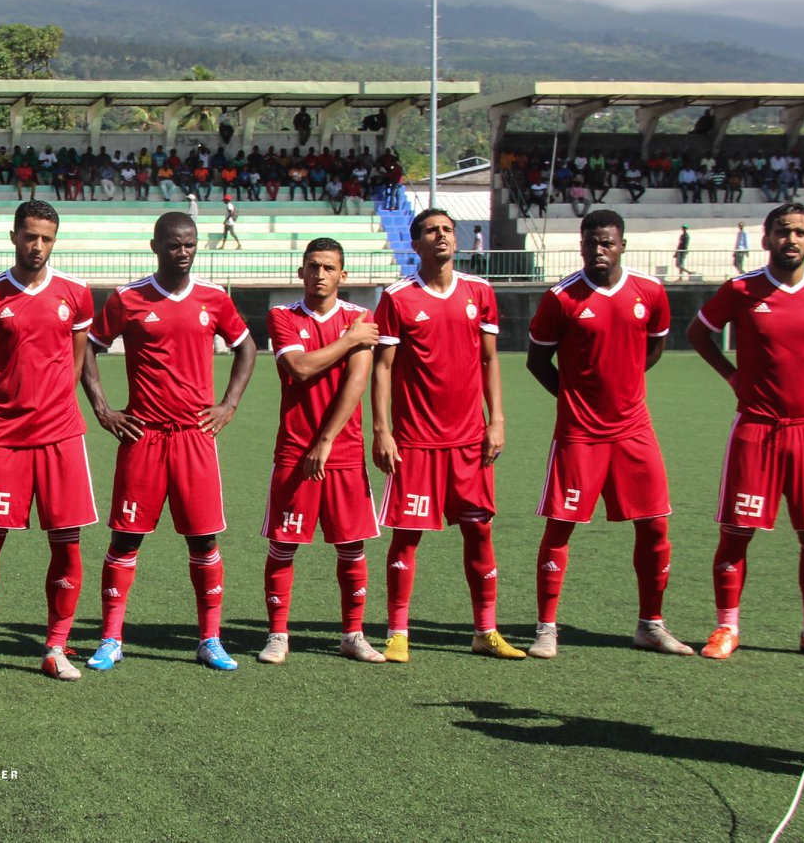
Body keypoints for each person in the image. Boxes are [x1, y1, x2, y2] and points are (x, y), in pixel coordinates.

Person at [80, 212, 255, 672]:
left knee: (203, 540)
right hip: (144, 437)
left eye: (191, 245)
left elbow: (246, 346)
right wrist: (103, 409)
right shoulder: (127, 298)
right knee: (126, 538)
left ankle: (210, 639)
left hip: (195, 438)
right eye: (175, 245)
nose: (184, 253)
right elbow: (88, 349)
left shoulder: (214, 299)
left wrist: (228, 404)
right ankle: (111, 639)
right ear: (155, 245)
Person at [687, 203, 804, 662]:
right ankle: (726, 627)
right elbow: (698, 332)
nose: (792, 239)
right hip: (757, 429)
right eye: (783, 231)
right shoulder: (742, 289)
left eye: (801, 232)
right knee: (737, 532)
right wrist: (732, 376)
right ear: (765, 239)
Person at [522, 210, 692, 660]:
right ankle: (546, 628)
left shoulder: (650, 292)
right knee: (561, 527)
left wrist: (627, 389)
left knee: (655, 525)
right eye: (591, 242)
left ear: (622, 245)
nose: (599, 250)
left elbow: (654, 347)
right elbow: (537, 362)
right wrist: (574, 399)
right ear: (580, 245)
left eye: (608, 243)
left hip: (634, 430)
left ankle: (651, 625)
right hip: (580, 434)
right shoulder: (561, 298)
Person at [0, 200, 97, 683]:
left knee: (68, 542)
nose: (37, 246)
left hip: (62, 437)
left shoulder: (76, 294)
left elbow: (76, 362)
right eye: (30, 236)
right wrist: (9, 409)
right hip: (7, 437)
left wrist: (55, 405)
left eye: (47, 239)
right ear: (14, 235)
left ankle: (56, 647)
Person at [373, 209, 524, 662]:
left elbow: (490, 360)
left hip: (469, 441)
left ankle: (486, 629)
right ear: (415, 245)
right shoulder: (397, 298)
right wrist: (382, 430)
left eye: (446, 231)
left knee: (480, 531)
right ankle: (398, 632)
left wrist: (496, 419)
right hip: (416, 442)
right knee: (407, 536)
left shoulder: (480, 292)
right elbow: (382, 367)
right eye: (430, 232)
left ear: (456, 241)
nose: (440, 237)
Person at [256, 239, 387, 664]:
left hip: (343, 452)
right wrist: (350, 341)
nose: (320, 274)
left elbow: (357, 383)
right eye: (312, 266)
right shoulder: (283, 316)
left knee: (351, 547)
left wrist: (326, 440)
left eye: (329, 267)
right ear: (300, 271)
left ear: (342, 275)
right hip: (295, 450)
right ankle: (278, 635)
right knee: (283, 544)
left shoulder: (360, 317)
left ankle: (353, 633)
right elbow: (300, 367)